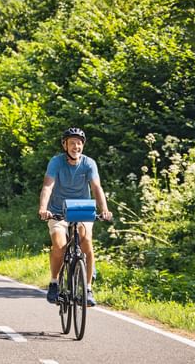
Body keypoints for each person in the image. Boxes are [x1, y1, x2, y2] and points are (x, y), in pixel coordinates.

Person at [38, 127, 112, 307]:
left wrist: (104, 209)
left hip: (82, 210)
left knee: (86, 239)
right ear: (65, 145)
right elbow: (48, 186)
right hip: (59, 211)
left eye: (79, 143)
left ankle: (87, 288)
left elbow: (96, 188)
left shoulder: (89, 163)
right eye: (72, 143)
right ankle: (54, 283)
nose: (76, 146)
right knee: (59, 244)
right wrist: (43, 208)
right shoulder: (56, 162)